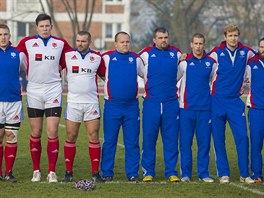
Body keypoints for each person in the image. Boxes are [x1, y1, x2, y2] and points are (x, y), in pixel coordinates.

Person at [16, 13, 71, 183]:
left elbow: (72, 59)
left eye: (48, 26)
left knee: (53, 131)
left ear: (51, 26)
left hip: (53, 90)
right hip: (34, 90)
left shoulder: (60, 44)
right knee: (36, 131)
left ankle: (52, 172)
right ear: (36, 27)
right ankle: (36, 170)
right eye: (42, 26)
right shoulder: (27, 43)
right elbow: (12, 57)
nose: (45, 29)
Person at [208, 23, 255, 184]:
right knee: (219, 139)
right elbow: (203, 65)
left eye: (235, 35)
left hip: (235, 102)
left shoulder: (246, 52)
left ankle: (244, 174)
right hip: (217, 101)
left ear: (238, 36)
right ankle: (223, 173)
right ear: (225, 37)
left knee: (242, 137)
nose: (233, 38)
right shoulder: (216, 53)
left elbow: (259, 59)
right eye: (230, 35)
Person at [61, 31, 105, 182]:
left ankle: (95, 173)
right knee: (71, 136)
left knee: (93, 136)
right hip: (73, 102)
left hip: (91, 102)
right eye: (78, 40)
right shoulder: (67, 55)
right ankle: (68, 172)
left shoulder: (97, 58)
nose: (80, 43)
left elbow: (106, 77)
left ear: (89, 41)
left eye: (83, 41)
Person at [139, 27, 182, 182]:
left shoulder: (176, 54)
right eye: (160, 38)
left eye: (165, 37)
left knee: (171, 139)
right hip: (152, 103)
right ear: (154, 40)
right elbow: (137, 69)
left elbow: (180, 72)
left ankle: (171, 172)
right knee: (149, 138)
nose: (164, 40)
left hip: (171, 103)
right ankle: (148, 172)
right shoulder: (145, 54)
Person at [100, 31, 144, 182]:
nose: (125, 44)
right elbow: (99, 72)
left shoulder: (136, 59)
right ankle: (107, 172)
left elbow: (145, 74)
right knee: (110, 141)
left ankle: (132, 173)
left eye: (127, 42)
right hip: (112, 106)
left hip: (131, 106)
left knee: (132, 142)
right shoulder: (106, 58)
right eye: (122, 42)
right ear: (116, 44)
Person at [177, 33, 216, 183]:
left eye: (201, 44)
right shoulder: (184, 63)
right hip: (186, 109)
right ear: (191, 44)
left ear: (204, 45)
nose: (198, 46)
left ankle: (203, 173)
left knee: (204, 143)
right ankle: (185, 173)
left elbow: (213, 81)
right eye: (196, 43)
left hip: (205, 109)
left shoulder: (211, 63)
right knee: (186, 142)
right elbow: (175, 78)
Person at [0, 24, 26, 182]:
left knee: (11, 136)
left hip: (14, 101)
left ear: (10, 36)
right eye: (0, 34)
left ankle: (8, 172)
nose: (2, 37)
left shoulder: (18, 54)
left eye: (5, 34)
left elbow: (25, 71)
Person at [245, 37, 264, 183]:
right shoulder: (251, 63)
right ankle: (257, 174)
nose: (263, 49)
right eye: (262, 47)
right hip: (256, 110)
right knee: (256, 144)